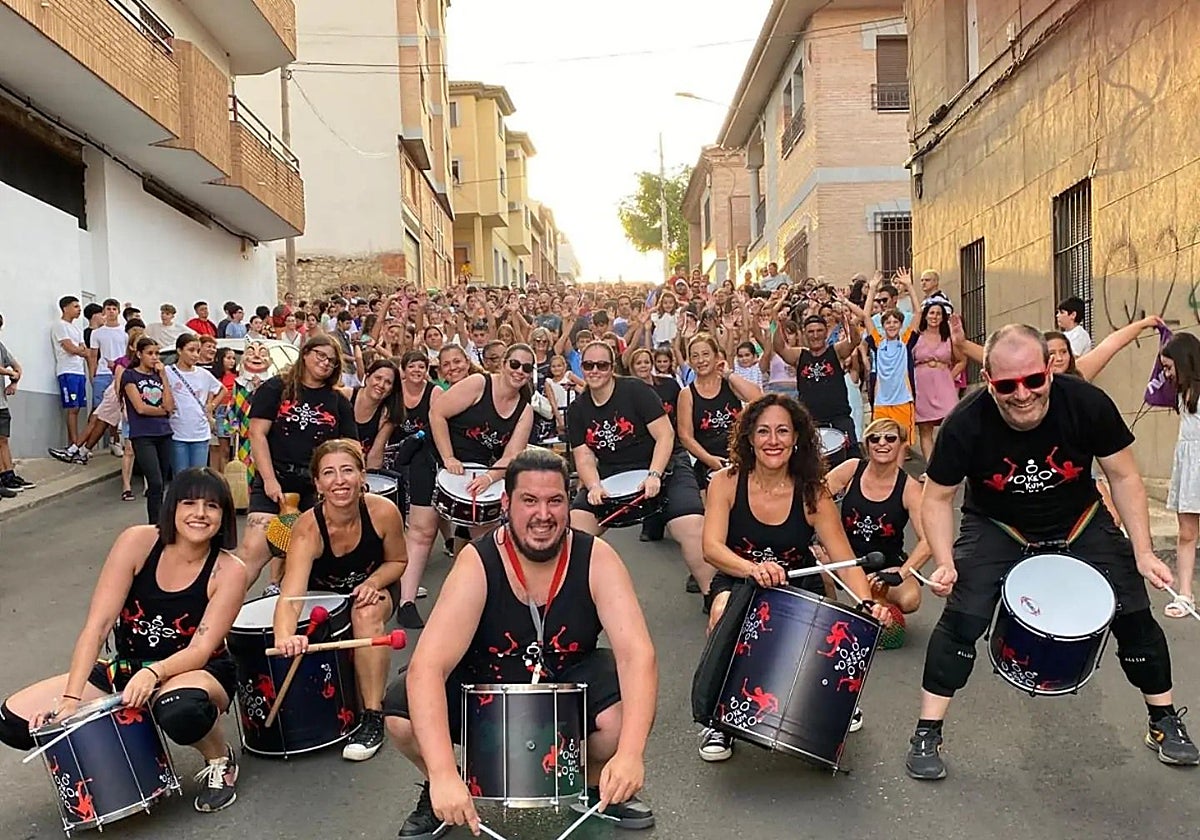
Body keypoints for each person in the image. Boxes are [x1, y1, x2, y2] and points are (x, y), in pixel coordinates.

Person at [906, 324, 1197, 781]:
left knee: (1135, 613)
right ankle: (927, 731)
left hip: (1079, 519)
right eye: (1007, 385)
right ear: (988, 379)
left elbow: (1123, 477)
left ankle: (1163, 721)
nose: (1022, 395)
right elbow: (938, 498)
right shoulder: (964, 422)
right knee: (963, 617)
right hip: (998, 524)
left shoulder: (1086, 403)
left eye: (1033, 380)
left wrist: (1142, 551)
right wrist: (944, 561)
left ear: (1050, 369)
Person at [382, 448, 658, 838]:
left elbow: (638, 655)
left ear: (568, 504)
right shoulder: (477, 561)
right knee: (401, 714)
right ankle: (441, 790)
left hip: (567, 679)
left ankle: (598, 785)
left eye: (555, 501)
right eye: (529, 500)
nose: (543, 514)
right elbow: (428, 666)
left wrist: (630, 755)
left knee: (621, 713)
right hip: (485, 683)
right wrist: (442, 773)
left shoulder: (597, 557)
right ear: (506, 503)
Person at [0, 469, 245, 812]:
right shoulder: (137, 542)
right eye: (189, 503)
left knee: (180, 709)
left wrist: (154, 673)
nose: (200, 514)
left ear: (224, 516)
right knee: (13, 723)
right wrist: (70, 701)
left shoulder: (230, 570)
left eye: (212, 506)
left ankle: (220, 759)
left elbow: (201, 649)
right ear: (172, 507)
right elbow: (97, 626)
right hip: (126, 668)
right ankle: (121, 756)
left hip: (195, 671)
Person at [698, 394, 893, 761]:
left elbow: (844, 559)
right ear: (749, 438)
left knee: (836, 628)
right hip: (740, 579)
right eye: (763, 432)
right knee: (721, 609)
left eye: (783, 431)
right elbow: (711, 548)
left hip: (797, 581)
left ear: (797, 437)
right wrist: (753, 569)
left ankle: (833, 701)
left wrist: (868, 604)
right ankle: (720, 720)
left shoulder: (813, 492)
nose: (773, 440)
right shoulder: (725, 482)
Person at [273, 440, 408, 762]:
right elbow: (291, 595)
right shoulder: (307, 528)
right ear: (318, 483)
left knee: (366, 612)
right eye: (329, 473)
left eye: (347, 470)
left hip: (375, 591)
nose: (339, 481)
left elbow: (398, 561)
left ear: (362, 476)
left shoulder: (383, 512)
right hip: (322, 604)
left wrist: (372, 582)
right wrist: (283, 637)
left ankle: (373, 716)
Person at [566, 341, 715, 610]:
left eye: (602, 365)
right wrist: (593, 485)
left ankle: (714, 598)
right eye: (588, 365)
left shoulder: (635, 390)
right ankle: (574, 604)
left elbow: (665, 435)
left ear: (612, 367)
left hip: (663, 464)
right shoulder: (578, 410)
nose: (595, 370)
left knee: (691, 526)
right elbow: (584, 456)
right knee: (573, 531)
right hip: (612, 471)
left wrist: (655, 474)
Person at [239, 335, 357, 591]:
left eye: (332, 361)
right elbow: (257, 434)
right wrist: (269, 480)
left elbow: (350, 446)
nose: (325, 363)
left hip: (317, 486)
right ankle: (218, 610)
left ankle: (289, 604)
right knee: (252, 551)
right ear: (305, 354)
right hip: (276, 477)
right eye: (320, 355)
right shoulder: (275, 388)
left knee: (308, 555)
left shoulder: (338, 401)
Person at [824, 417, 930, 615]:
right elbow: (811, 499)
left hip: (885, 563)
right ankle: (828, 615)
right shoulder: (852, 468)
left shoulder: (910, 488)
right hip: (844, 557)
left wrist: (901, 573)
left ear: (901, 444)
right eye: (875, 438)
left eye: (890, 438)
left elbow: (928, 540)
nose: (882, 443)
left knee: (910, 599)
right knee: (817, 566)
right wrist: (818, 540)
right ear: (867, 444)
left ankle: (877, 603)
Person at [428, 343, 535, 533]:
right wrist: (448, 457)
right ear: (503, 364)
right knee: (424, 531)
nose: (519, 371)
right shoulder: (479, 383)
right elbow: (437, 413)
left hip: (477, 467)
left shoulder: (525, 411)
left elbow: (511, 456)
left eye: (526, 368)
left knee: (482, 533)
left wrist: (489, 477)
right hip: (434, 458)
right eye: (514, 364)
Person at [388, 351, 441, 629]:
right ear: (404, 369)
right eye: (413, 366)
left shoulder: (434, 393)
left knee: (428, 527)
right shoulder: (395, 392)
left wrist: (419, 437)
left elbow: (438, 425)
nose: (418, 370)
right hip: (399, 457)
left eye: (422, 366)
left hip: (428, 458)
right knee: (406, 524)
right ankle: (403, 595)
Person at [676, 334, 762, 493]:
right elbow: (685, 437)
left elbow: (757, 398)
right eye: (695, 356)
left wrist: (728, 374)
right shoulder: (687, 394)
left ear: (716, 356)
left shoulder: (730, 384)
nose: (701, 360)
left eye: (705, 354)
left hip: (741, 456)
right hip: (709, 462)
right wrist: (710, 460)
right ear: (690, 361)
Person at [772, 313, 861, 446]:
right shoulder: (799, 355)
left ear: (826, 332)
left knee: (851, 456)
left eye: (819, 331)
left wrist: (846, 320)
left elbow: (854, 340)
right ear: (804, 334)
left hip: (839, 420)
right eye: (811, 331)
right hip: (810, 422)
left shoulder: (836, 351)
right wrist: (781, 324)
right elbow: (779, 348)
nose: (815, 335)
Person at [1160, 333, 1200, 619]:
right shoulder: (1180, 394)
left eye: (1168, 367)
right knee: (1187, 532)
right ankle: (1185, 593)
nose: (1166, 373)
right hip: (1189, 466)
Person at [122, 337, 176, 524]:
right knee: (155, 481)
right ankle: (154, 523)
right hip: (143, 434)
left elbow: (170, 405)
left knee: (162, 483)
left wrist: (164, 377)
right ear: (139, 354)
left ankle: (161, 522)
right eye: (150, 353)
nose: (155, 357)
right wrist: (162, 411)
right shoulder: (130, 376)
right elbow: (140, 408)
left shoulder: (158, 376)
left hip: (164, 433)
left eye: (157, 354)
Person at [166, 333, 225, 473]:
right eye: (191, 350)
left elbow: (222, 389)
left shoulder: (203, 374)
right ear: (179, 350)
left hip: (200, 432)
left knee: (198, 475)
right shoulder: (168, 372)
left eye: (198, 351)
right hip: (177, 431)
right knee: (180, 474)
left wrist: (211, 406)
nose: (195, 355)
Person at [51, 295, 90, 457]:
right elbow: (70, 348)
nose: (79, 309)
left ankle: (76, 444)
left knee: (78, 408)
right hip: (67, 371)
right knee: (72, 408)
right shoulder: (60, 325)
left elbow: (84, 350)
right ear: (65, 308)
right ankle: (73, 444)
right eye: (75, 306)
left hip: (79, 372)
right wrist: (79, 350)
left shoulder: (76, 329)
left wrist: (79, 350)